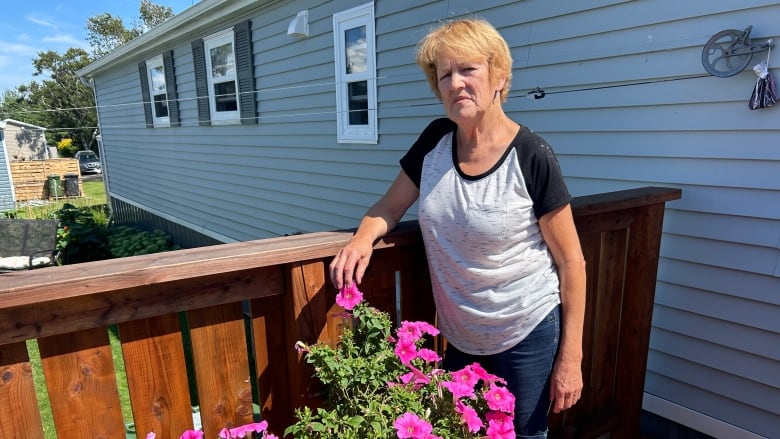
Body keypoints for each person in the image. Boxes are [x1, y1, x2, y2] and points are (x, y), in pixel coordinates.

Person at [329, 17, 586, 438]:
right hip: (460, 338)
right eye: (444, 74)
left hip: (526, 332)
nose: (454, 83)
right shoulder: (434, 140)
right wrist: (361, 240)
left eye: (467, 69)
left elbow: (572, 262)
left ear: (499, 76)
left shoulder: (532, 155)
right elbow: (389, 207)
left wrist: (570, 358)